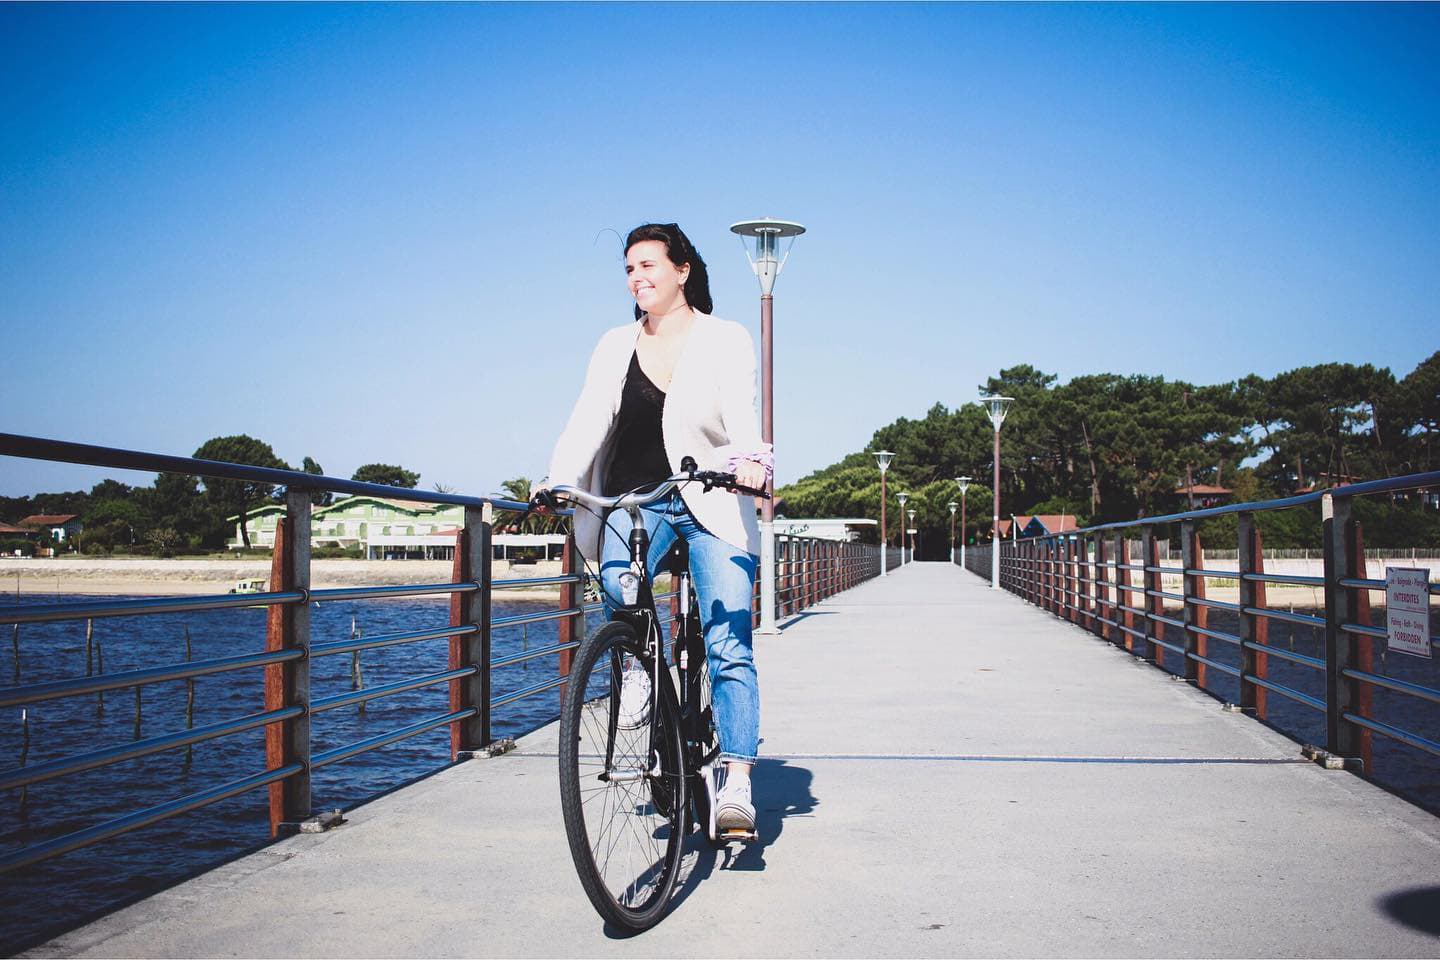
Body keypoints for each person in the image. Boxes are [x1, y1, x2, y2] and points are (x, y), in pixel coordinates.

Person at [540, 222, 770, 836]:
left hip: (711, 500)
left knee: (728, 642)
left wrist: (750, 462)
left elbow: (742, 412)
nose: (637, 278)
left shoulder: (725, 337)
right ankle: (640, 668)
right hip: (636, 501)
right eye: (628, 269)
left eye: (648, 265)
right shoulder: (615, 344)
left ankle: (737, 781)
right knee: (621, 585)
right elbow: (588, 418)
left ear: (681, 270)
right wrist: (559, 479)